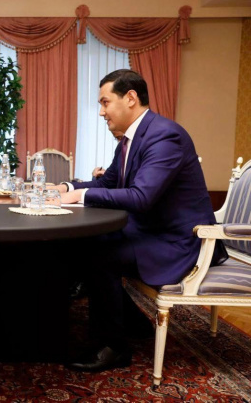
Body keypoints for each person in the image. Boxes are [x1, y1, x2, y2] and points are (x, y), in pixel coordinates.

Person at [54, 69, 227, 372]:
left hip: (178, 241)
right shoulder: (130, 139)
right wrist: (67, 188)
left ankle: (114, 348)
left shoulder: (165, 135)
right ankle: (134, 324)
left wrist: (80, 196)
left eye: (105, 102)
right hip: (150, 231)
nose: (101, 112)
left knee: (99, 255)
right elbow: (108, 183)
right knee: (81, 243)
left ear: (130, 98)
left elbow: (141, 197)